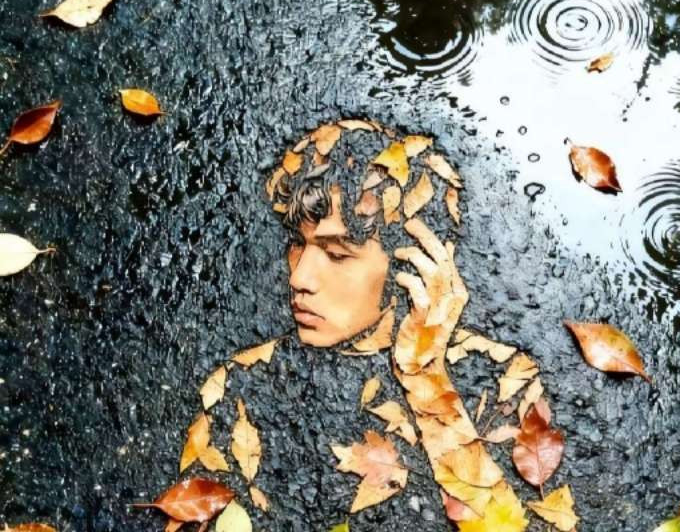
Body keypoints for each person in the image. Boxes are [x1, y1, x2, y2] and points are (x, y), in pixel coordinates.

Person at [184, 119, 547, 529]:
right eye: (298, 244)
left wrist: (427, 380)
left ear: (415, 264)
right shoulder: (241, 384)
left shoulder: (504, 380)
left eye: (337, 254)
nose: (299, 278)